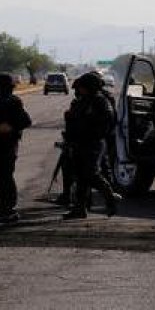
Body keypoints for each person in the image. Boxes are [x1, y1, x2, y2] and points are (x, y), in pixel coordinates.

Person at [63, 72, 119, 219]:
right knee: (80, 177)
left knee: (91, 174)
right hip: (78, 143)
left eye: (82, 87)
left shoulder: (100, 101)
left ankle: (110, 197)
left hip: (92, 143)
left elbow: (107, 121)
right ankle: (79, 208)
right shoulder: (82, 101)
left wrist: (89, 127)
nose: (79, 90)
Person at [0, 72, 32, 223]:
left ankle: (8, 209)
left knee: (5, 176)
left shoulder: (13, 101)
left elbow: (26, 121)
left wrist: (10, 127)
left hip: (7, 146)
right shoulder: (13, 100)